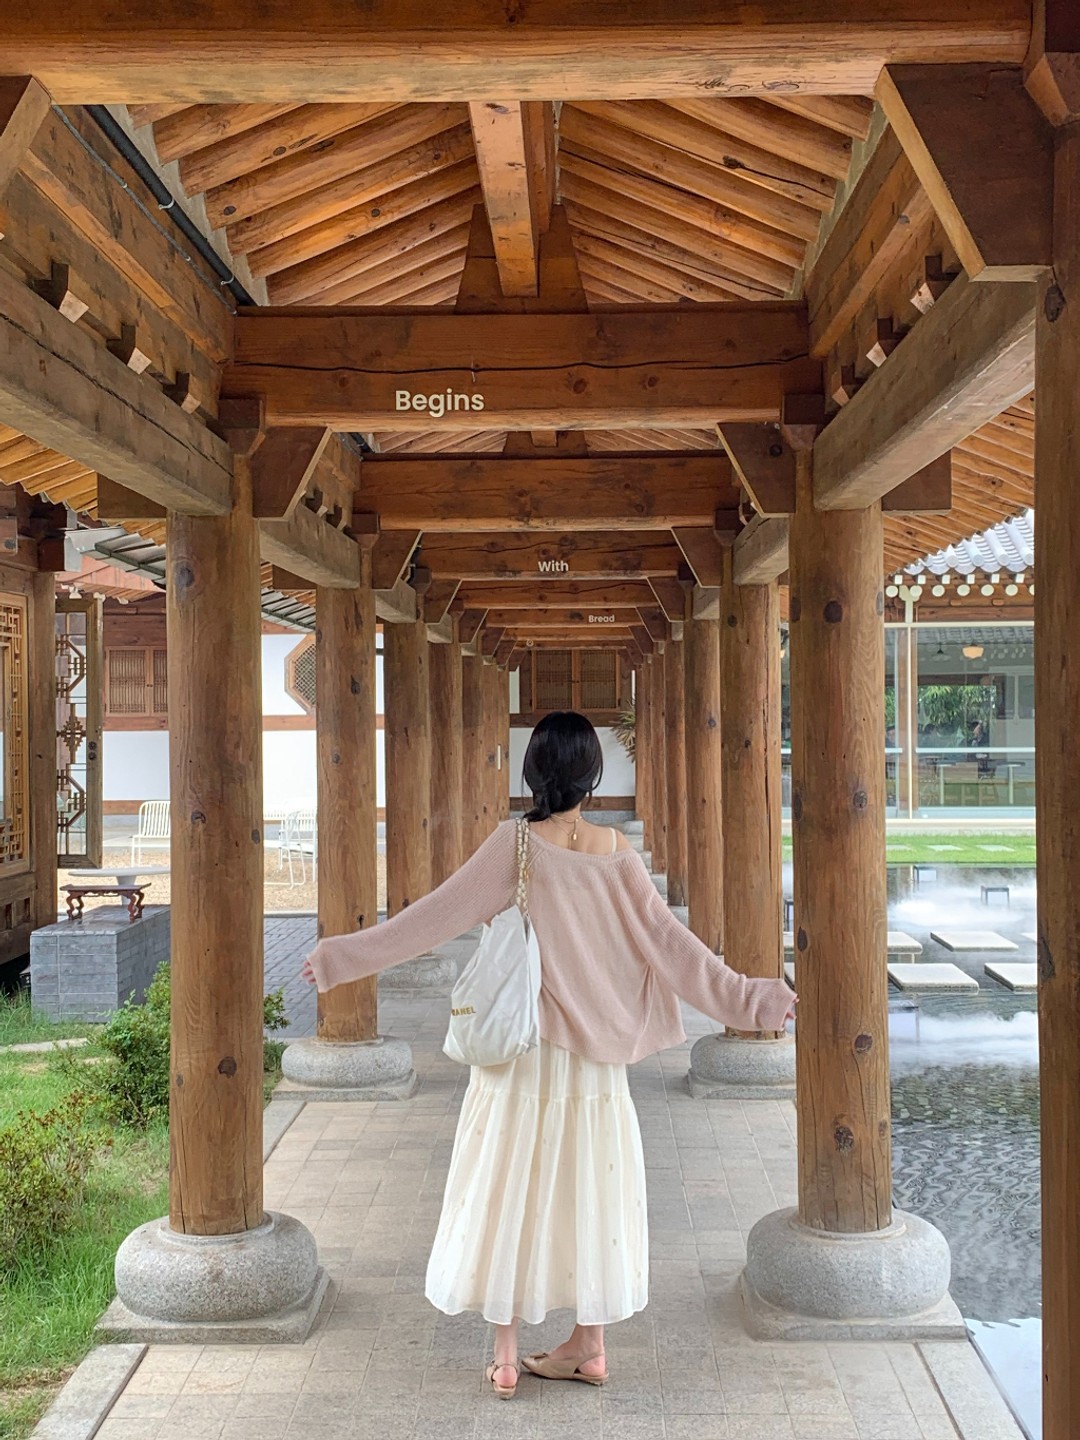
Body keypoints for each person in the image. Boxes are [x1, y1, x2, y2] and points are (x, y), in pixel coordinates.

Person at [301, 711, 796, 1399]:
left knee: (510, 1189)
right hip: (595, 1064)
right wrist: (755, 1000)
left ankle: (506, 1357)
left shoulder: (514, 846)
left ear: (532, 770)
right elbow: (676, 950)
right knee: (589, 1192)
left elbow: (432, 917)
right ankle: (589, 1345)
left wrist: (340, 957)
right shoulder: (616, 856)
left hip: (521, 1058)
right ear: (592, 775)